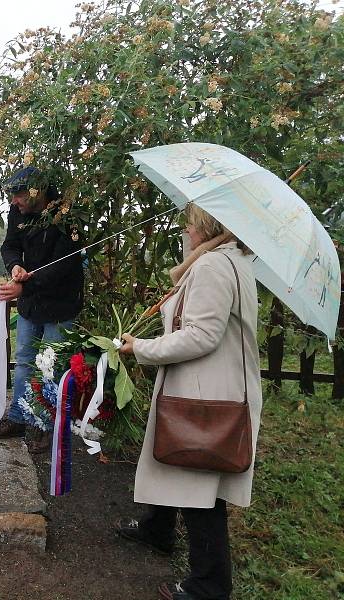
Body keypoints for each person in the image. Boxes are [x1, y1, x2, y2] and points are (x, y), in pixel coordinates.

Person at [116, 203, 263, 600]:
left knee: (199, 487)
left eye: (191, 221)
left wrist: (141, 348)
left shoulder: (213, 267)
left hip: (207, 395)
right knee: (176, 464)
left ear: (206, 226)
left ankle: (209, 587)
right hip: (210, 387)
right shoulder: (224, 262)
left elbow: (201, 335)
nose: (185, 227)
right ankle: (157, 528)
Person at [0, 166, 84, 449]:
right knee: (24, 360)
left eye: (18, 195)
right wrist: (15, 265)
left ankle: (44, 423)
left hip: (61, 302)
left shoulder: (67, 215)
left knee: (50, 365)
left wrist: (25, 286)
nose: (13, 202)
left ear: (36, 191)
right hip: (32, 302)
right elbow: (9, 246)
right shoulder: (17, 213)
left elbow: (63, 265)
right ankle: (18, 418)